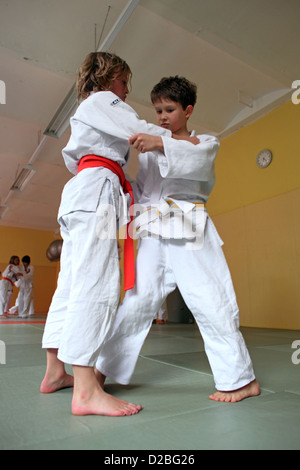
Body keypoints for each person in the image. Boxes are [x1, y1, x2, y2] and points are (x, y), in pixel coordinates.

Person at [95, 76, 260, 403]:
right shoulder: (151, 152)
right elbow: (143, 190)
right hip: (155, 229)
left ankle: (240, 379)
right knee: (137, 300)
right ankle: (101, 370)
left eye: (169, 109)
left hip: (189, 226)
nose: (162, 117)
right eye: (157, 110)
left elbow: (197, 159)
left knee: (209, 298)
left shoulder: (206, 142)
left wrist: (159, 143)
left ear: (188, 110)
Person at [40, 52, 173, 417]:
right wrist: (180, 139)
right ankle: (85, 391)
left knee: (71, 282)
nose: (127, 91)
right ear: (109, 76)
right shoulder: (103, 99)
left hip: (82, 192)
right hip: (95, 193)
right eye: (124, 81)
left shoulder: (87, 111)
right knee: (95, 282)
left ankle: (55, 372)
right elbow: (141, 132)